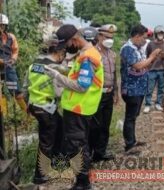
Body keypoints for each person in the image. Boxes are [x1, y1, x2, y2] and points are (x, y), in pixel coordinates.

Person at [44, 24, 104, 190]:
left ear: (74, 39)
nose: (67, 48)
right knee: (77, 144)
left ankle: (83, 183)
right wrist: (61, 70)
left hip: (79, 109)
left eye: (67, 44)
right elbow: (78, 76)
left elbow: (81, 86)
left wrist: (57, 76)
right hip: (78, 108)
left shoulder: (88, 57)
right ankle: (81, 180)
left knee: (77, 147)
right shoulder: (84, 54)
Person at [23, 36, 66, 184]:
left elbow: (25, 88)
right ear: (59, 52)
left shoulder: (34, 65)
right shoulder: (55, 68)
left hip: (35, 106)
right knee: (46, 141)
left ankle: (55, 161)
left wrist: (28, 104)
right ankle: (40, 175)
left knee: (60, 128)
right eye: (64, 53)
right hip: (46, 108)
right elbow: (59, 93)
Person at [120, 24, 161, 154]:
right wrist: (152, 57)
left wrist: (151, 60)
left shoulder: (137, 49)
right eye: (143, 38)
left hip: (139, 88)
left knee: (134, 116)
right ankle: (129, 145)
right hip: (131, 89)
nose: (145, 41)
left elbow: (144, 66)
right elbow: (137, 66)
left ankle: (133, 140)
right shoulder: (128, 49)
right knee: (130, 117)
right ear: (137, 36)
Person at [89, 24, 118, 162]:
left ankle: (100, 152)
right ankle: (89, 153)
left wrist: (116, 92)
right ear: (100, 36)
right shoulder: (93, 53)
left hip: (109, 93)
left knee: (105, 124)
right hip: (96, 94)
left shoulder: (112, 54)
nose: (109, 40)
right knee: (95, 125)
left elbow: (114, 74)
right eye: (107, 37)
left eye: (112, 37)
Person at [0, 14, 27, 111]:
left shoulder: (11, 37)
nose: (1, 28)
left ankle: (26, 113)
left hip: (8, 67)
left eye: (3, 25)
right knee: (0, 94)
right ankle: (3, 116)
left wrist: (13, 59)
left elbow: (15, 50)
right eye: (0, 25)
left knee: (16, 91)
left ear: (6, 26)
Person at [143, 25, 164, 113]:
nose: (161, 35)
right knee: (149, 88)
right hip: (152, 69)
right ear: (156, 34)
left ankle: (158, 103)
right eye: (159, 33)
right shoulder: (150, 44)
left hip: (163, 69)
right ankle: (148, 104)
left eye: (162, 33)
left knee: (161, 88)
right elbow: (147, 56)